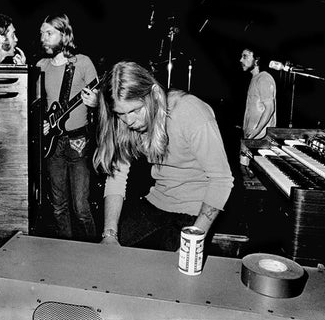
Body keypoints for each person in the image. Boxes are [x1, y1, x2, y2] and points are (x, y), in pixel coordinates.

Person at [93, 61, 233, 251]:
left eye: (135, 110)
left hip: (195, 207)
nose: (129, 121)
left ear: (153, 95)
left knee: (168, 272)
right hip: (157, 201)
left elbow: (221, 180)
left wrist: (192, 243)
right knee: (109, 255)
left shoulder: (189, 111)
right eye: (120, 114)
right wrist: (109, 233)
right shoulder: (124, 120)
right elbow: (116, 175)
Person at [36, 13, 99, 241]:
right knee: (57, 207)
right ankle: (65, 250)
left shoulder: (82, 63)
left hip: (78, 140)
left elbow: (100, 98)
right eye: (42, 33)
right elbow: (32, 106)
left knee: (81, 207)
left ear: (64, 35)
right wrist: (40, 123)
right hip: (53, 144)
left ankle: (94, 250)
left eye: (49, 33)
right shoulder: (41, 67)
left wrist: (96, 101)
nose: (43, 38)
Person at [239, 47, 276, 139]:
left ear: (256, 60)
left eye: (245, 56)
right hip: (252, 137)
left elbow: (270, 108)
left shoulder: (263, 78)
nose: (240, 60)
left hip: (260, 138)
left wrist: (255, 131)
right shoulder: (255, 79)